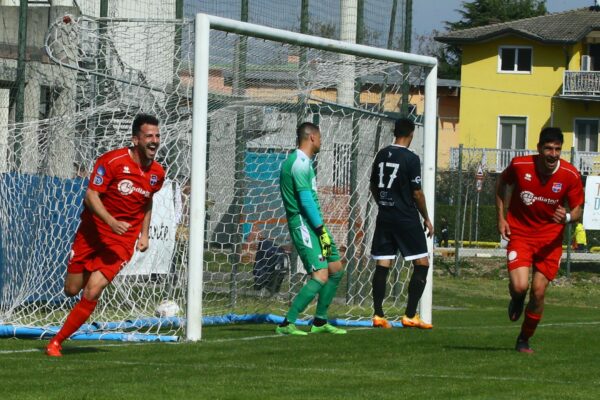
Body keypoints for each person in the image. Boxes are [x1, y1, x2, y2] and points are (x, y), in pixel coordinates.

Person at [45, 114, 165, 356]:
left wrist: (144, 235)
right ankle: (87, 269)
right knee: (71, 289)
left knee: (93, 290)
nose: (154, 140)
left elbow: (147, 202)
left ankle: (56, 342)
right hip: (91, 234)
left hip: (121, 240)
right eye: (149, 136)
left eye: (157, 136)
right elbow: (90, 196)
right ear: (135, 139)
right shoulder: (112, 161)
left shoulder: (157, 173)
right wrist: (110, 222)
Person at [496, 127, 584, 353]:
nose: (553, 154)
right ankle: (516, 298)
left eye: (557, 149)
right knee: (520, 286)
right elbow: (501, 185)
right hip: (521, 234)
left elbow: (577, 210)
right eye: (548, 148)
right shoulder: (520, 165)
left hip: (549, 241)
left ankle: (524, 338)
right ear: (539, 149)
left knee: (538, 291)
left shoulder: (570, 175)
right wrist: (501, 218)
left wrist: (565, 217)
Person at [276, 122, 346, 335]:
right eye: (321, 137)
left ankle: (320, 321)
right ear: (312, 138)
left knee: (335, 269)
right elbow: (306, 202)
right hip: (304, 226)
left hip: (315, 225)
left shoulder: (304, 162)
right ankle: (287, 323)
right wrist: (320, 229)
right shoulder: (298, 163)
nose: (322, 141)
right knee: (320, 276)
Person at [369, 118, 434, 329]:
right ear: (411, 134)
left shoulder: (381, 154)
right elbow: (417, 192)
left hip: (384, 216)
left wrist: (383, 204)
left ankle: (378, 314)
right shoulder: (411, 158)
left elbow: (373, 186)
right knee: (422, 263)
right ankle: (409, 315)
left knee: (383, 263)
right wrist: (426, 217)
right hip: (405, 217)